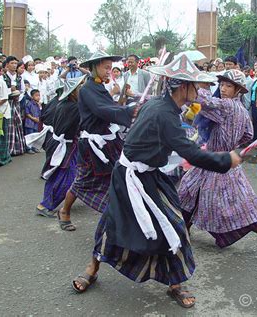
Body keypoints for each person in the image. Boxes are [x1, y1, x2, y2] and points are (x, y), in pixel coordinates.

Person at [71, 54, 241, 309]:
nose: (200, 90)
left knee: (173, 224)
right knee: (111, 224)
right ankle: (92, 268)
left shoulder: (163, 107)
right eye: (195, 85)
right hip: (130, 178)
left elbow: (166, 133)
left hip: (149, 175)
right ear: (182, 87)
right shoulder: (163, 112)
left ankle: (175, 283)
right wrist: (226, 160)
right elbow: (191, 153)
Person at [179, 69, 257, 254]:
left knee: (234, 209)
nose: (223, 89)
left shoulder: (227, 106)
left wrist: (195, 84)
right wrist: (230, 143)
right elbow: (248, 134)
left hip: (219, 162)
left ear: (238, 90)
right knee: (189, 190)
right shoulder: (241, 110)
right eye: (222, 84)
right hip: (216, 159)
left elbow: (204, 101)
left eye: (229, 86)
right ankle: (184, 229)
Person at [58, 51, 136, 231]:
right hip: (93, 144)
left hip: (108, 140)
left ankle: (118, 216)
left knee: (119, 175)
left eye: (111, 68)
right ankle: (64, 210)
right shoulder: (87, 89)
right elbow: (103, 110)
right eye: (106, 67)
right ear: (95, 67)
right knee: (83, 180)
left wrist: (127, 105)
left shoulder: (100, 87)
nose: (109, 71)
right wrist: (128, 112)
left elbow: (111, 107)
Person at [36, 76, 86, 218]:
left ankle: (46, 203)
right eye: (79, 88)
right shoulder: (73, 107)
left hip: (60, 143)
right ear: (72, 93)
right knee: (69, 178)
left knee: (57, 175)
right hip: (65, 146)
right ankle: (46, 205)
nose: (81, 90)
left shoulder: (61, 104)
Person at [24, 89, 42, 154]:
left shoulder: (38, 104)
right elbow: (27, 113)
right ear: (32, 97)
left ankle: (34, 147)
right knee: (29, 136)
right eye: (36, 95)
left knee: (35, 135)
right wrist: (33, 118)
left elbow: (40, 113)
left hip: (36, 123)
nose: (38, 97)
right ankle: (28, 148)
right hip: (30, 122)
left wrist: (40, 107)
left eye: (39, 95)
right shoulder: (29, 103)